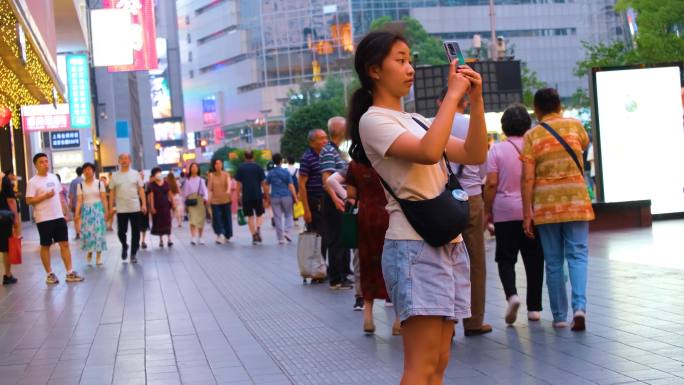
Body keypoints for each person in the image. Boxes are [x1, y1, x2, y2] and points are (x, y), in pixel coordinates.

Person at [350, 31, 486, 384]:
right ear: (374, 70)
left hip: (447, 244)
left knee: (439, 362)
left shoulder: (419, 119)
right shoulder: (373, 120)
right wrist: (452, 97)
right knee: (420, 366)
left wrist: (476, 99)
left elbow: (475, 154)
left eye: (410, 59)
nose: (409, 68)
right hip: (413, 248)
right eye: (400, 60)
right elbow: (428, 152)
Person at [521, 88, 595, 331]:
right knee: (578, 254)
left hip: (546, 205)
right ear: (559, 106)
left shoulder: (532, 136)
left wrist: (527, 213)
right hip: (575, 200)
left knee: (553, 261)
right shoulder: (574, 126)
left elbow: (527, 179)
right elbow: (583, 146)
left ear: (537, 109)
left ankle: (560, 317)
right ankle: (580, 308)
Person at [436, 87, 491, 336]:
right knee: (475, 261)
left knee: (443, 259)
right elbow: (483, 167)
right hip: (471, 197)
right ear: (466, 103)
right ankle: (474, 321)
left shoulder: (431, 124)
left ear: (441, 102)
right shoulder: (472, 124)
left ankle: (448, 318)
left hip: (442, 199)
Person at [483, 104, 544, 325]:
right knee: (534, 258)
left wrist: (486, 211)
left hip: (504, 211)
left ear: (504, 127)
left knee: (506, 258)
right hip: (532, 211)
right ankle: (535, 309)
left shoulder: (496, 150)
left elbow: (490, 183)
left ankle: (512, 296)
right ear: (528, 125)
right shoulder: (534, 148)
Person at [346, 160, 401, 335]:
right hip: (389, 215)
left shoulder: (355, 164)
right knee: (395, 265)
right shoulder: (387, 161)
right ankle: (399, 320)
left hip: (365, 217)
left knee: (367, 264)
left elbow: (351, 193)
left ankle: (368, 318)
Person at [26, 153, 85, 284]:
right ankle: (49, 274)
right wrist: (44, 196)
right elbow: (28, 200)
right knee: (45, 245)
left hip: (58, 216)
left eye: (46, 161)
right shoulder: (32, 182)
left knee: (64, 243)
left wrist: (65, 212)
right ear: (35, 165)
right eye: (41, 162)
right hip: (43, 218)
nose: (45, 164)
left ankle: (70, 273)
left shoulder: (53, 177)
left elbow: (59, 196)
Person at [320, 117, 353, 290]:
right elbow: (326, 178)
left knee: (343, 237)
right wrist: (336, 199)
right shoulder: (328, 151)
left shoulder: (337, 150)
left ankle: (343, 274)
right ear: (339, 130)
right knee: (336, 238)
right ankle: (336, 278)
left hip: (340, 199)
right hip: (335, 200)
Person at [109, 153, 147, 263]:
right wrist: (111, 207)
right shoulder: (115, 176)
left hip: (135, 207)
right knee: (121, 231)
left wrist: (144, 204)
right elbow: (111, 192)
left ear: (130, 161)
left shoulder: (135, 174)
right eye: (122, 159)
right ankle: (125, 246)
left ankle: (134, 253)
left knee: (136, 231)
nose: (124, 160)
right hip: (121, 208)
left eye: (126, 158)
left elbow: (141, 190)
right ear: (119, 161)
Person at [74, 162, 108, 266]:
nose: (87, 171)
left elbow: (103, 198)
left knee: (99, 233)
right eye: (85, 170)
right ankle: (89, 251)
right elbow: (79, 200)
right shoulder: (80, 185)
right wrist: (76, 214)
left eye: (89, 169)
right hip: (86, 210)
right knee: (88, 233)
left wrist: (106, 212)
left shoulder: (99, 183)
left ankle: (98, 256)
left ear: (93, 171)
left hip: (98, 210)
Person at [264, 153, 298, 244]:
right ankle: (287, 232)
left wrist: (267, 197)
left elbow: (266, 185)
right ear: (281, 160)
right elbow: (291, 185)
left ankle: (280, 239)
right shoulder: (286, 172)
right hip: (286, 196)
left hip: (275, 197)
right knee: (289, 215)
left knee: (277, 217)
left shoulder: (271, 173)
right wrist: (295, 197)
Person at [235, 150, 266, 245]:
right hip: (257, 195)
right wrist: (266, 194)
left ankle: (254, 235)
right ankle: (258, 229)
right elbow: (263, 183)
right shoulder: (258, 167)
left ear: (245, 157)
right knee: (259, 214)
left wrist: (238, 196)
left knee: (250, 216)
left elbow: (238, 184)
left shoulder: (241, 168)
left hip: (246, 196)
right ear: (253, 157)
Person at [182, 162, 208, 245]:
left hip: (200, 200)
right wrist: (184, 203)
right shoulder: (187, 180)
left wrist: (205, 198)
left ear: (198, 169)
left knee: (200, 220)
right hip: (190, 201)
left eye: (195, 167)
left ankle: (200, 237)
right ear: (190, 169)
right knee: (192, 220)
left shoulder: (201, 180)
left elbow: (205, 191)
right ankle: (193, 237)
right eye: (192, 167)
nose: (194, 168)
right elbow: (184, 193)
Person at [207, 159, 233, 244]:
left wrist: (228, 191)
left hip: (226, 199)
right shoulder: (211, 175)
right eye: (216, 164)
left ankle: (227, 235)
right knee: (217, 219)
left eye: (219, 163)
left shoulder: (226, 174)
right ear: (214, 165)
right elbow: (210, 189)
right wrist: (208, 199)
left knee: (227, 218)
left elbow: (229, 184)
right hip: (215, 201)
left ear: (222, 165)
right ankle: (220, 234)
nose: (218, 165)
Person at [1, 170, 19, 285]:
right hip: (3, 218)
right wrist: (15, 218)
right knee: (5, 248)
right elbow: (11, 200)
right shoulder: (3, 179)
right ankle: (7, 275)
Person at [149, 167, 174, 247]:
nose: (159, 174)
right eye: (157, 173)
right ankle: (161, 240)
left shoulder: (166, 183)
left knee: (168, 221)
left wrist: (173, 203)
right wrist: (152, 207)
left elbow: (170, 193)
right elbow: (151, 197)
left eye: (160, 172)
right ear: (154, 175)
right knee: (159, 222)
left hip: (166, 205)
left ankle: (169, 239)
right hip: (157, 206)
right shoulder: (152, 185)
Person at [68, 166, 83, 239]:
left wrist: (70, 203)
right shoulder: (84, 180)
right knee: (82, 218)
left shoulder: (73, 181)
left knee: (76, 218)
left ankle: (77, 233)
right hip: (84, 203)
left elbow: (71, 194)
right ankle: (83, 231)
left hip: (75, 203)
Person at [139, 171, 151, 249]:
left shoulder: (146, 185)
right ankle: (138, 240)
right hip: (135, 207)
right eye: (140, 175)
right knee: (136, 226)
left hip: (144, 207)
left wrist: (148, 207)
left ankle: (143, 241)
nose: (142, 176)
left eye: (143, 175)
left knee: (144, 225)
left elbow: (149, 197)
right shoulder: (134, 186)